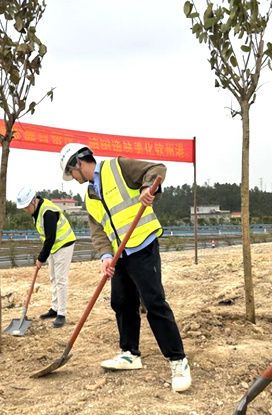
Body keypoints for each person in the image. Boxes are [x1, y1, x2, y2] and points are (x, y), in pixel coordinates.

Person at [59, 143, 192, 392]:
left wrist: (145, 188)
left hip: (142, 244)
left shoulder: (117, 166)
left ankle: (178, 360)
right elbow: (97, 229)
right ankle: (130, 353)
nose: (73, 179)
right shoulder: (89, 195)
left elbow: (156, 168)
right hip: (120, 254)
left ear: (78, 163)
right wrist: (105, 256)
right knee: (121, 302)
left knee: (153, 302)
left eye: (71, 173)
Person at [16, 187, 76, 328]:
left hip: (64, 244)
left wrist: (41, 258)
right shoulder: (37, 211)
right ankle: (55, 309)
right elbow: (47, 238)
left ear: (33, 202)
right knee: (53, 278)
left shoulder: (47, 212)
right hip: (54, 247)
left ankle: (61, 313)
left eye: (26, 207)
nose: (25, 210)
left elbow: (50, 237)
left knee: (61, 280)